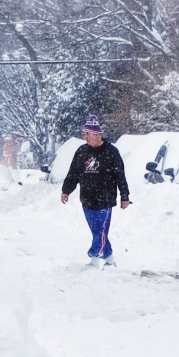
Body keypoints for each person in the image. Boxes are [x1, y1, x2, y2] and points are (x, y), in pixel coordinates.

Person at [61, 115, 130, 269]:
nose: (85, 137)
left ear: (97, 134)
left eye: (88, 133)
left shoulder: (111, 152)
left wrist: (124, 196)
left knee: (101, 231)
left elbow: (120, 175)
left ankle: (94, 258)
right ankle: (110, 259)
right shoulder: (81, 151)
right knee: (97, 231)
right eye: (84, 133)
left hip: (105, 198)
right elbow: (73, 173)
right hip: (87, 198)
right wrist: (66, 190)